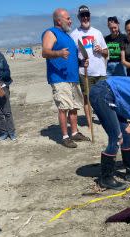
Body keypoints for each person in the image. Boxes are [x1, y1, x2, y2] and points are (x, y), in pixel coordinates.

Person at [42, 8, 91, 148]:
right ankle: (65, 136)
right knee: (64, 107)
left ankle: (74, 132)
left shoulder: (67, 36)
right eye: (68, 18)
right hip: (59, 77)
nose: (70, 21)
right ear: (59, 20)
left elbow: (72, 58)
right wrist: (58, 53)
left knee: (74, 106)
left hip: (73, 77)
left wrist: (82, 62)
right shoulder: (51, 32)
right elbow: (45, 52)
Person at [70, 5, 108, 124]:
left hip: (100, 71)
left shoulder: (97, 32)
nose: (85, 18)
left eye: (87, 15)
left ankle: (104, 119)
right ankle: (89, 123)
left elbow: (107, 53)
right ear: (79, 17)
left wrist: (101, 50)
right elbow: (72, 58)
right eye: (82, 16)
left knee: (103, 98)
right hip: (85, 73)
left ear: (90, 16)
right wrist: (80, 62)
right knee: (87, 99)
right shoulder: (74, 35)